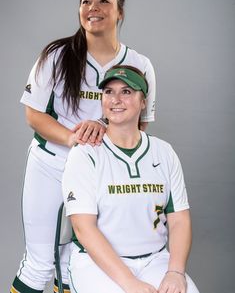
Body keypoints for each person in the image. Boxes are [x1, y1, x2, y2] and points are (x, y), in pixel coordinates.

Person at [10, 0, 156, 293]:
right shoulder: (56, 55)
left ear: (120, 12)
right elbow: (33, 114)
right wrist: (73, 138)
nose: (93, 8)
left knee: (77, 262)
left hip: (101, 172)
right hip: (51, 164)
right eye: (86, 1)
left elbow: (141, 125)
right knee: (39, 263)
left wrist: (105, 126)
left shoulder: (140, 64)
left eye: (104, 1)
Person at [62, 65, 200, 293]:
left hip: (154, 259)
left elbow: (179, 219)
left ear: (143, 101)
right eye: (108, 91)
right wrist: (130, 283)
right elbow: (83, 227)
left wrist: (175, 272)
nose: (115, 99)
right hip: (96, 263)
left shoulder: (163, 152)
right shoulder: (85, 154)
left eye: (126, 91)